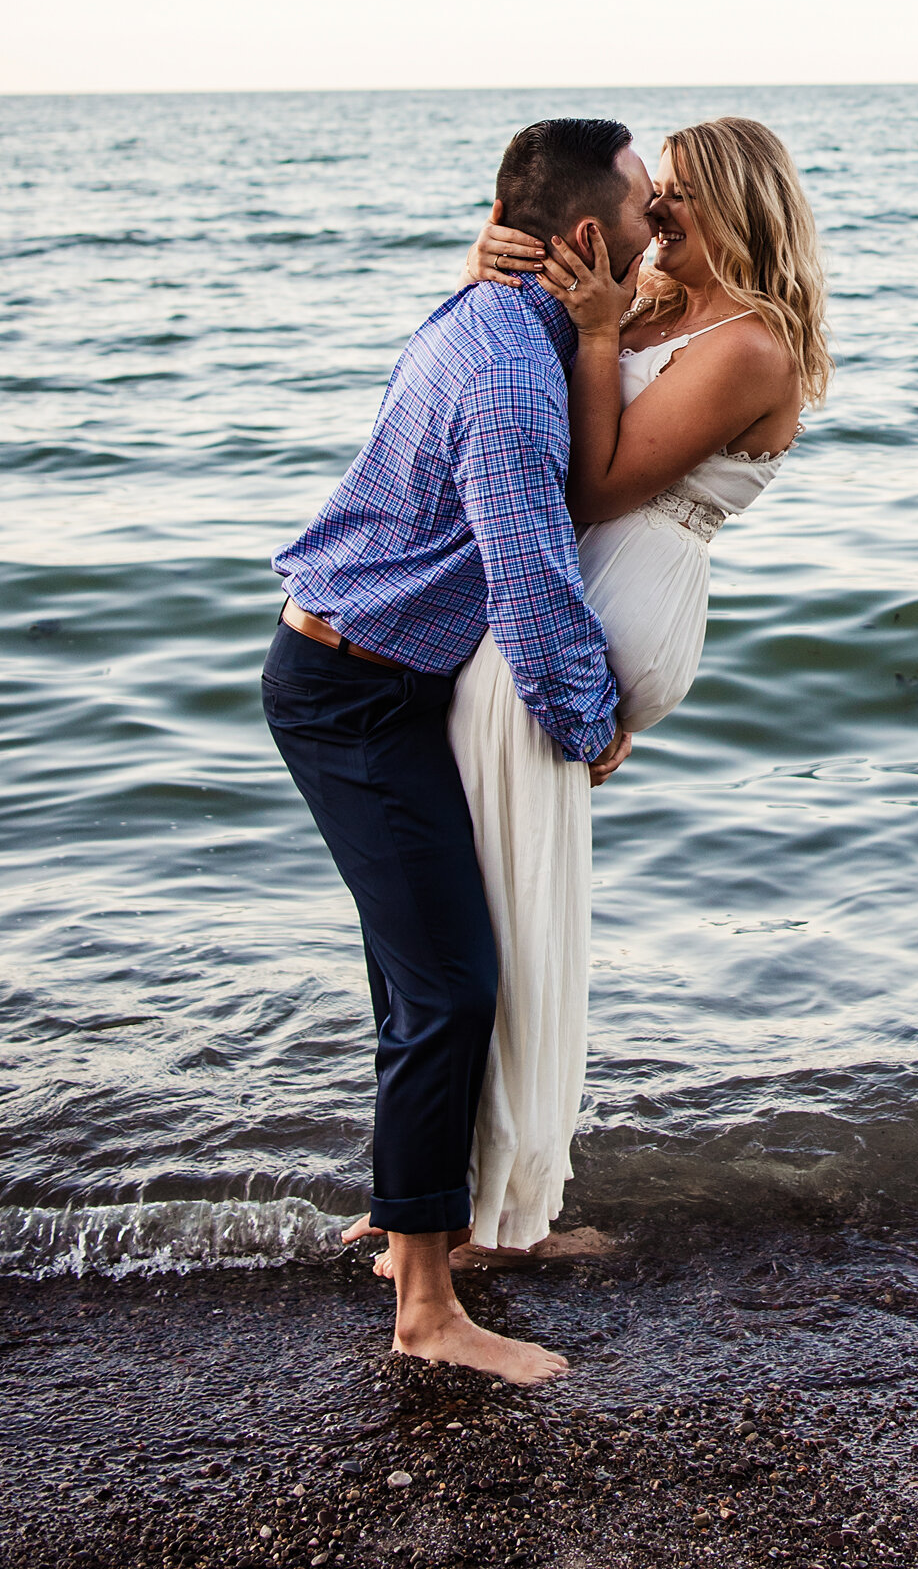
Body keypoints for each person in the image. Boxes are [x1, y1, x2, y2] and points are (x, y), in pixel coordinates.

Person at [357, 116, 831, 1279]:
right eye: (649, 191)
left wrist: (599, 326)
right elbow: (493, 358)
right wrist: (493, 258)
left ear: (734, 202)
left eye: (675, 194)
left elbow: (602, 478)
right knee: (486, 915)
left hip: (619, 612)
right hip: (554, 619)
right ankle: (453, 1194)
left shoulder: (753, 341)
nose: (653, 213)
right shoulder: (646, 300)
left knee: (508, 915)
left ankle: (475, 1207)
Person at [262, 117, 653, 1385]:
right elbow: (531, 582)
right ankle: (425, 1305)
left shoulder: (502, 316)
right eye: (645, 211)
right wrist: (591, 722)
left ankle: (406, 1225)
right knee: (450, 987)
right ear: (587, 238)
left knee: (419, 973)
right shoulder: (506, 370)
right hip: (347, 691)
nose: (657, 231)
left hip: (373, 679)